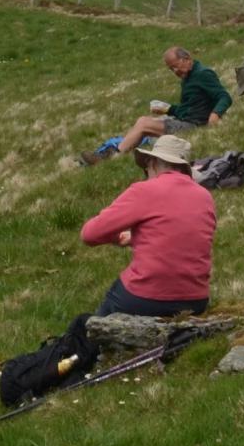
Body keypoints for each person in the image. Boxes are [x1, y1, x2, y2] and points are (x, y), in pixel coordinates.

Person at [78, 135, 216, 315]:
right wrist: (136, 238)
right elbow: (179, 236)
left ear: (153, 163)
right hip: (196, 300)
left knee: (100, 319)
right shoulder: (205, 196)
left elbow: (89, 234)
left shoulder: (144, 190)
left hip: (146, 297)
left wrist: (114, 237)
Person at [96, 48, 231, 161]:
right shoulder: (187, 78)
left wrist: (215, 114)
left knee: (144, 123)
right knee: (145, 121)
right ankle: (112, 151)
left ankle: (115, 155)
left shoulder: (203, 74)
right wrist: (168, 109)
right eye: (171, 69)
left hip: (195, 126)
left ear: (187, 59)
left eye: (176, 66)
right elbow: (187, 110)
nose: (175, 71)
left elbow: (224, 97)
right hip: (186, 121)